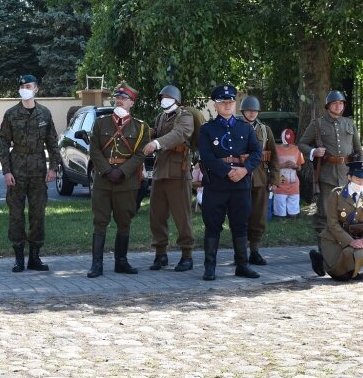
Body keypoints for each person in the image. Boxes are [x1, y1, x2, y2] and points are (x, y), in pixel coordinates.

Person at [199, 83, 262, 280]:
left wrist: (244, 170)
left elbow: (256, 152)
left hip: (240, 184)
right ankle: (210, 267)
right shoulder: (207, 130)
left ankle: (242, 265)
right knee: (213, 225)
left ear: (235, 104)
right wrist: (227, 172)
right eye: (222, 102)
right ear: (215, 105)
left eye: (230, 102)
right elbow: (207, 156)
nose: (227, 105)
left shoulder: (246, 128)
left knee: (240, 225)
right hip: (216, 184)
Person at [87, 82, 150, 278]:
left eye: (125, 99)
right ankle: (97, 265)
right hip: (103, 181)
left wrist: (122, 171)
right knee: (100, 221)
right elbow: (94, 150)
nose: (120, 101)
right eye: (118, 98)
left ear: (132, 103)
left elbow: (140, 155)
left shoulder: (141, 128)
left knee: (124, 222)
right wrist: (107, 170)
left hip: (126, 181)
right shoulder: (101, 123)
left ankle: (121, 262)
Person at [0, 74, 61, 273]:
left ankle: (35, 257)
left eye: (28, 85)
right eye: (21, 86)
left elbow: (52, 143)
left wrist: (53, 168)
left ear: (36, 89)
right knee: (16, 215)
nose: (24, 88)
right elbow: (3, 145)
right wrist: (6, 172)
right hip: (17, 170)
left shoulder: (44, 113)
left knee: (38, 215)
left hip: (38, 170)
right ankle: (18, 258)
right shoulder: (11, 114)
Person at [298, 90, 362, 252]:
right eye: (335, 103)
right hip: (327, 176)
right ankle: (324, 252)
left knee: (348, 214)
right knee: (325, 215)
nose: (338, 106)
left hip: (347, 175)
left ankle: (344, 249)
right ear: (328, 106)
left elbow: (358, 150)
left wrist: (359, 174)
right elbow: (302, 144)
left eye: (341, 103)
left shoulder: (349, 123)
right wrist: (314, 152)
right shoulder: (317, 124)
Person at [142, 85, 195, 272]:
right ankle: (160, 254)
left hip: (177, 173)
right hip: (160, 172)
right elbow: (158, 131)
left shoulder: (185, 116)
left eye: (167, 97)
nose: (163, 99)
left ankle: (187, 255)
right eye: (161, 97)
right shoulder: (161, 117)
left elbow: (179, 134)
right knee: (156, 215)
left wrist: (156, 143)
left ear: (176, 99)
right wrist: (149, 133)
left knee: (182, 217)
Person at [308, 161, 363, 281]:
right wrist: (350, 241)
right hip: (334, 238)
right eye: (358, 179)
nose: (361, 183)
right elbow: (332, 223)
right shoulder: (336, 194)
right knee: (341, 276)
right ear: (349, 177)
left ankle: (348, 270)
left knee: (362, 255)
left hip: (357, 238)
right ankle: (322, 261)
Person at [239, 95, 280, 265]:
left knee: (258, 216)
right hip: (240, 178)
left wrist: (274, 178)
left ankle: (254, 251)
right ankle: (239, 252)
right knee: (240, 216)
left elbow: (274, 156)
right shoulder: (235, 128)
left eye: (255, 110)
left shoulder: (265, 130)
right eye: (249, 110)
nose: (252, 113)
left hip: (260, 178)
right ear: (243, 111)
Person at [273, 128, 305, 219]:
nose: (288, 144)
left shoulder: (297, 149)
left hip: (293, 184)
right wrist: (281, 166)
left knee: (293, 214)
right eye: (286, 141)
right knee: (280, 214)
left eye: (289, 141)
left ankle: (293, 217)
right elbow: (271, 166)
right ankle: (281, 218)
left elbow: (299, 167)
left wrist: (295, 166)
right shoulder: (275, 149)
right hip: (280, 184)